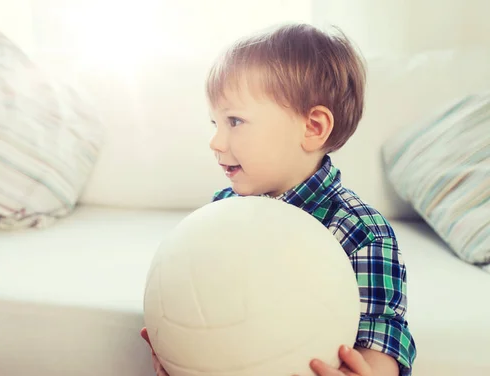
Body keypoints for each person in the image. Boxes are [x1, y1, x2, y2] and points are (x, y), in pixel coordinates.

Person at [140, 23, 416, 376]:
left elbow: (383, 335)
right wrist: (182, 353)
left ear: (313, 127)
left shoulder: (360, 232)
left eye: (235, 121)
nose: (216, 142)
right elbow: (207, 304)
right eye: (215, 123)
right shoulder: (220, 213)